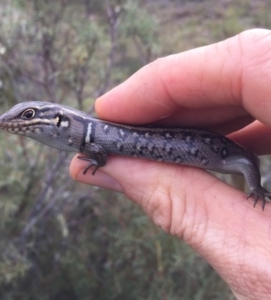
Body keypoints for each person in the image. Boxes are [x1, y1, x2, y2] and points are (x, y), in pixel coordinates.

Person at [70, 29, 271, 299]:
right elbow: (100, 151)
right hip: (200, 149)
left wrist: (255, 187)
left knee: (245, 163)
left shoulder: (236, 158)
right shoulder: (92, 137)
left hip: (222, 153)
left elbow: (248, 160)